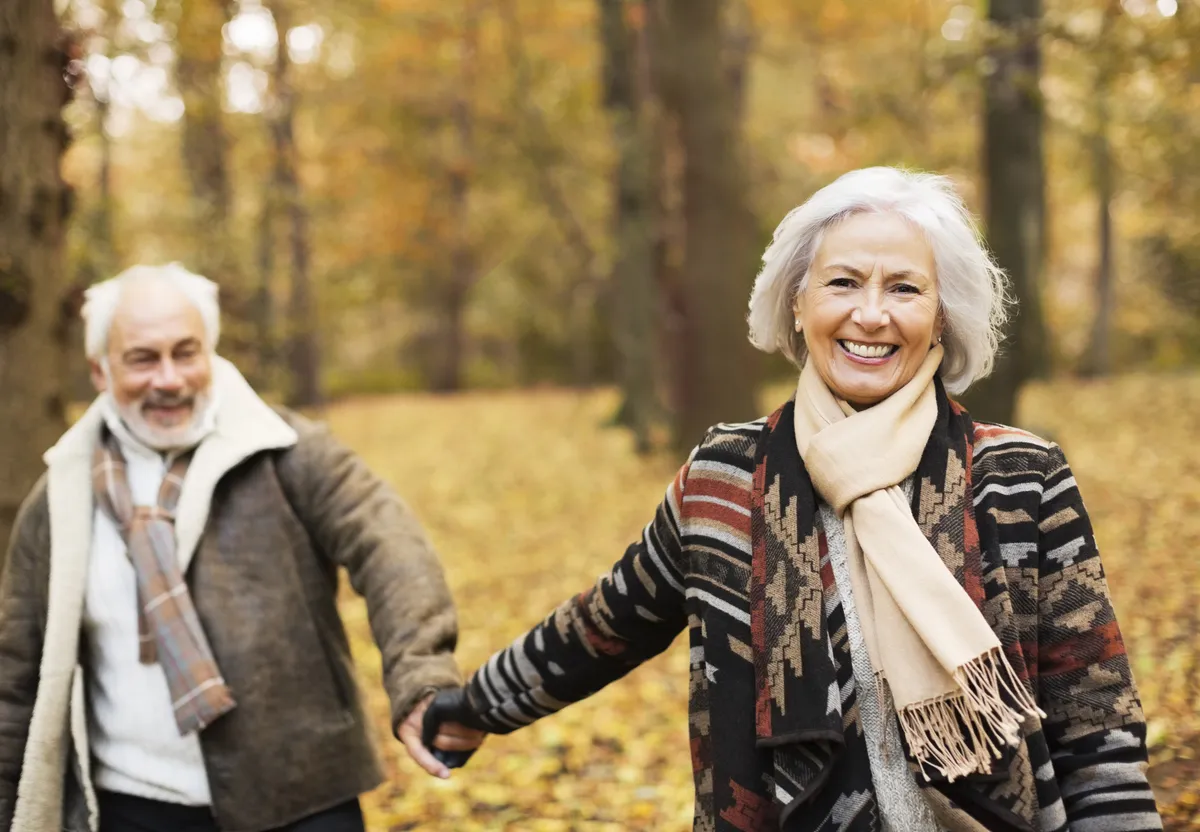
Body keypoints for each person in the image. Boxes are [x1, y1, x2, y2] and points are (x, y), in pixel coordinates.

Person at [417, 168, 1163, 831]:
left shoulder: (1019, 476)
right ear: (797, 304)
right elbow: (606, 624)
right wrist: (472, 708)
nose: (871, 315)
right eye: (843, 283)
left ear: (942, 315)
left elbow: (1093, 717)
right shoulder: (727, 476)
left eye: (904, 288)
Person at [0, 264, 484, 832]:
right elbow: (15, 675)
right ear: (99, 371)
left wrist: (421, 675)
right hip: (130, 810)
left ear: (211, 353)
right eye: (142, 358)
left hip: (301, 798)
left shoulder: (288, 452)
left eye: (186, 353)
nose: (169, 379)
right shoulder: (61, 495)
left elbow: (390, 548)